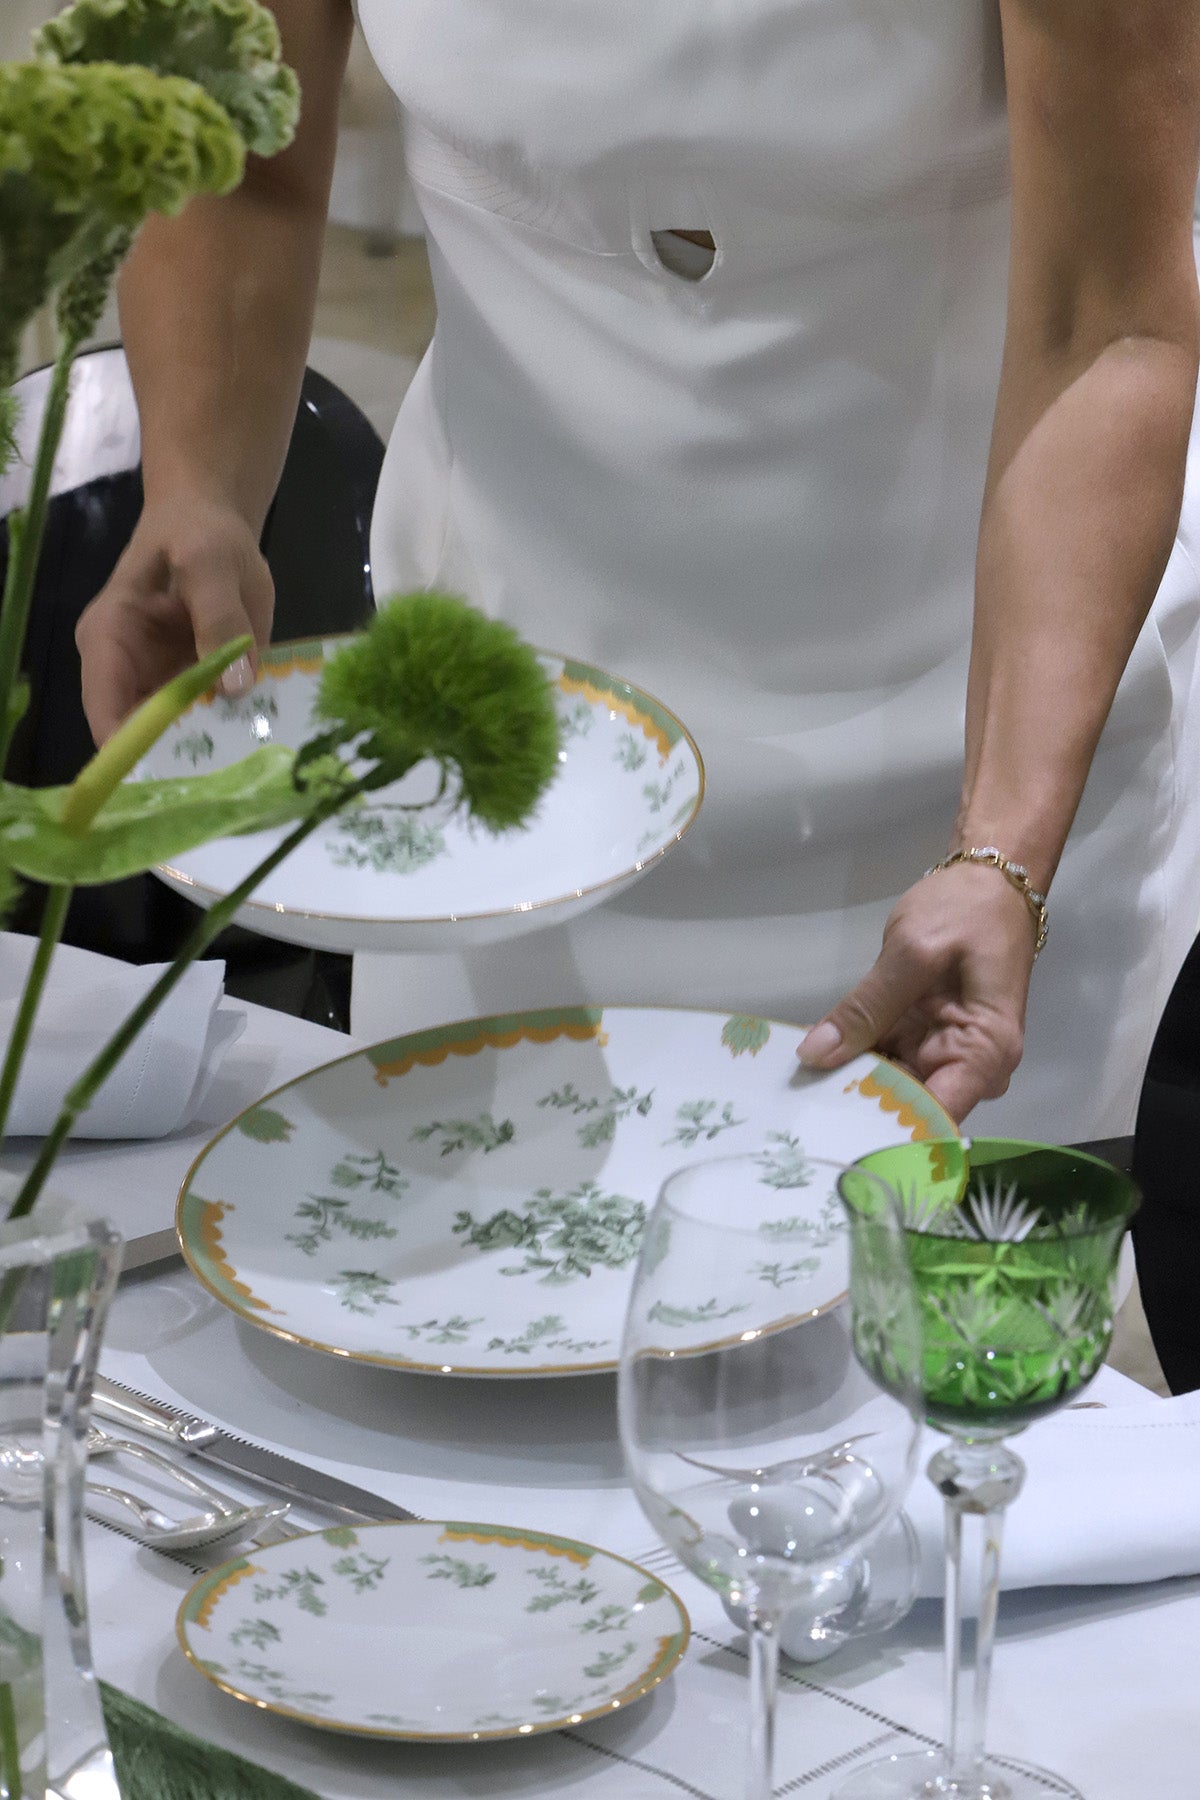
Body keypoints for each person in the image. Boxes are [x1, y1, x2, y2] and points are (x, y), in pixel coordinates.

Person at [76, 0, 1200, 1141]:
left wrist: (1001, 851)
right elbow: (237, 161)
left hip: (971, 776)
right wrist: (202, 492)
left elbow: (1103, 328)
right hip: (498, 787)